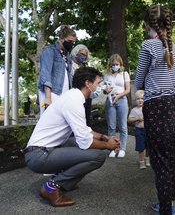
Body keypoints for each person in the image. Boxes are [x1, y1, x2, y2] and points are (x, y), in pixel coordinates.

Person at [24, 66, 121, 207]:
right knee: (97, 156)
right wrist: (108, 145)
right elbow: (85, 142)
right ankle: (51, 188)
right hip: (39, 156)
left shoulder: (72, 97)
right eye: (98, 83)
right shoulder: (74, 101)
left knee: (73, 142)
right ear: (88, 84)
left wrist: (103, 137)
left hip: (41, 151)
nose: (99, 86)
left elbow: (85, 130)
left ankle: (63, 180)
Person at [135, 4, 175, 215]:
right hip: (172, 105)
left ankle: (165, 208)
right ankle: (169, 203)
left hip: (155, 105)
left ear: (148, 23)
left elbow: (138, 80)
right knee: (169, 157)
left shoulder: (148, 45)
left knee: (158, 159)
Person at [38, 25, 76, 114]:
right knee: (48, 122)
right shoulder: (50, 51)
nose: (71, 44)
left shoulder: (67, 56)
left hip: (64, 94)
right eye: (69, 41)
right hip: (52, 93)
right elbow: (45, 74)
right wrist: (48, 97)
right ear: (62, 38)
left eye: (73, 42)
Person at [103, 54, 130, 158]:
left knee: (123, 126)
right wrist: (106, 91)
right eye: (113, 64)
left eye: (117, 64)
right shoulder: (107, 76)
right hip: (110, 100)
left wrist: (118, 97)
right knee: (111, 126)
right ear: (110, 65)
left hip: (121, 100)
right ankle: (113, 148)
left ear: (120, 64)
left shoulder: (124, 74)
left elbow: (127, 90)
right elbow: (105, 91)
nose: (115, 66)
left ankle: (122, 148)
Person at [70, 44, 94, 126]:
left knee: (86, 120)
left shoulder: (83, 67)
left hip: (86, 96)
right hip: (75, 95)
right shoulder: (70, 65)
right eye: (81, 54)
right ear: (76, 52)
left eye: (85, 55)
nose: (83, 57)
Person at [128, 90, 150, 169]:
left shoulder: (148, 108)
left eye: (142, 98)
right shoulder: (134, 110)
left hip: (148, 130)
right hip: (139, 130)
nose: (140, 100)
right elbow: (129, 119)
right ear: (135, 100)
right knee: (140, 147)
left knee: (148, 147)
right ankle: (141, 162)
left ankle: (147, 159)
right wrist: (138, 118)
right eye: (138, 99)